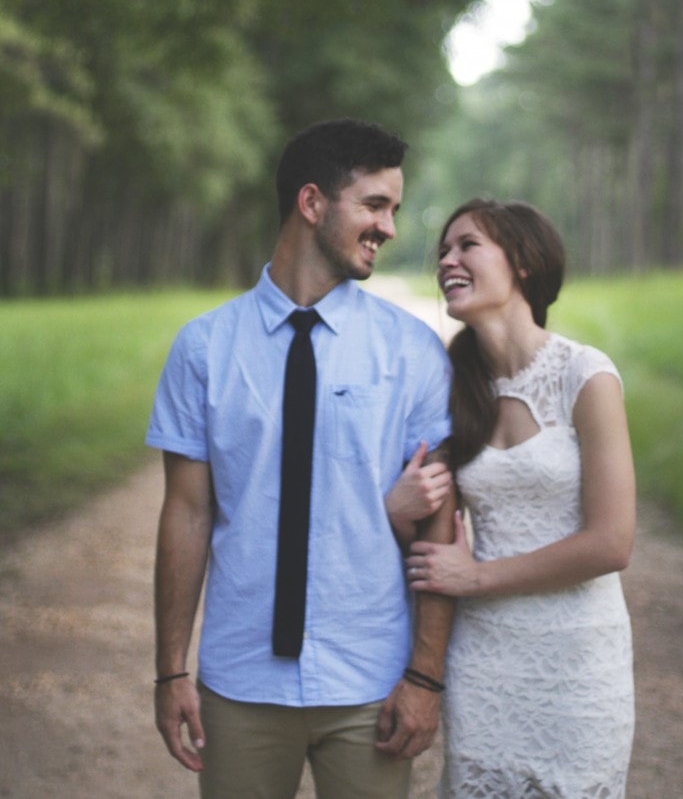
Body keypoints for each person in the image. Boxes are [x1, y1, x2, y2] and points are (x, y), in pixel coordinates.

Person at [146, 118, 455, 799]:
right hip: (241, 680)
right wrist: (171, 670)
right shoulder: (202, 349)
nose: (390, 227)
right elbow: (187, 513)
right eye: (375, 204)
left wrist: (426, 677)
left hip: (369, 682)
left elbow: (439, 520)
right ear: (312, 203)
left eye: (394, 208)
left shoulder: (412, 351)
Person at [406, 198, 636, 799]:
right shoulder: (451, 387)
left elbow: (612, 543)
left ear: (524, 263)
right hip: (483, 664)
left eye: (467, 245)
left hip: (579, 666)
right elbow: (425, 538)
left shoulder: (585, 375)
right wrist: (395, 508)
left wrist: (475, 578)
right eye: (443, 251)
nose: (447, 261)